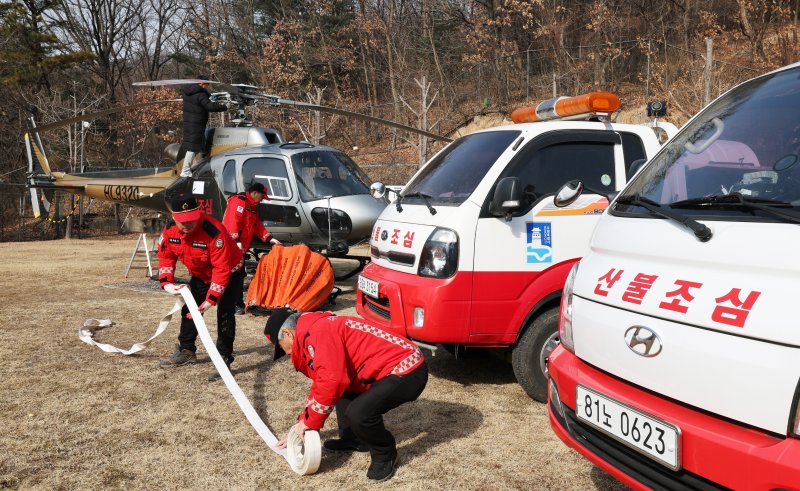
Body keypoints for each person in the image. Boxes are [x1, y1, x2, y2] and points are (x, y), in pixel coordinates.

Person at [266, 309, 428, 482]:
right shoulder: (313, 330)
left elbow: (331, 381)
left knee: (359, 412)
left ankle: (385, 453)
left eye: (280, 346)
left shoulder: (319, 332)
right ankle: (355, 438)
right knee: (342, 388)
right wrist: (302, 423)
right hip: (392, 367)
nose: (285, 353)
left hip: (409, 369)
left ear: (288, 333)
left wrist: (309, 422)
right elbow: (323, 383)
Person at [157, 193, 245, 382]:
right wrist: (166, 281)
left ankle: (224, 358)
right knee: (190, 309)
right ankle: (187, 350)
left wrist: (210, 300)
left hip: (231, 271)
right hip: (201, 274)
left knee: (225, 313)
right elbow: (166, 255)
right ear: (174, 217)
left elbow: (222, 269)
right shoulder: (170, 230)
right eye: (183, 221)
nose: (187, 224)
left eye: (192, 220)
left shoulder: (214, 232)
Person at [222, 182, 282, 314]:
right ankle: (234, 304)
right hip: (231, 246)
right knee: (235, 275)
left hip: (239, 247)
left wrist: (269, 238)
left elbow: (256, 225)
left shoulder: (252, 206)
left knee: (238, 274)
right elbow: (232, 222)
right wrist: (236, 241)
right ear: (255, 193)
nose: (262, 200)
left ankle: (236, 302)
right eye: (262, 196)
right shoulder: (239, 202)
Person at [179, 78, 229, 177]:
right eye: (207, 85)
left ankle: (201, 166)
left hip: (190, 124)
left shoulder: (188, 93)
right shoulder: (200, 94)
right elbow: (210, 107)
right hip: (196, 125)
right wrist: (225, 107)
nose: (207, 87)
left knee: (200, 146)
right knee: (192, 148)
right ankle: (185, 171)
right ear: (202, 83)